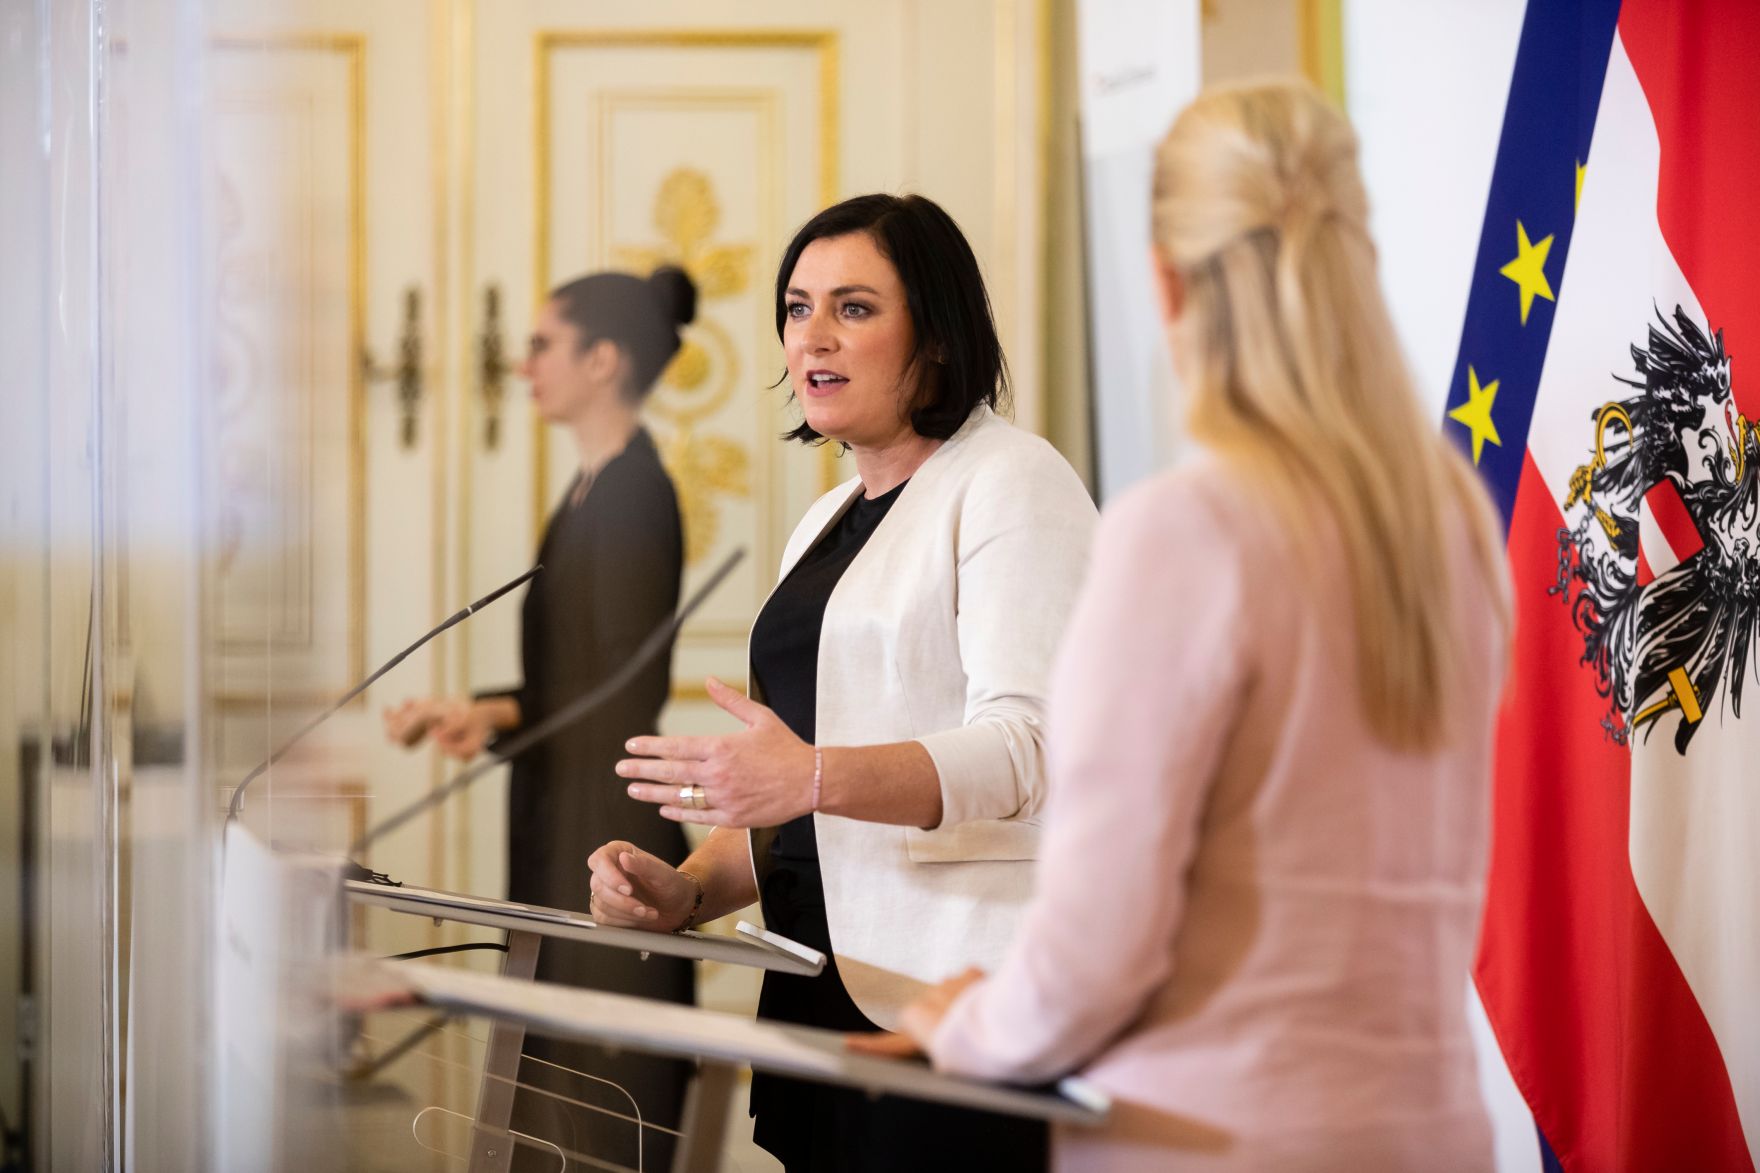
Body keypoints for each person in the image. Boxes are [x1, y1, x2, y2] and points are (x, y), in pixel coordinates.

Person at [863, 81, 1513, 1171]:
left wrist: (964, 1023)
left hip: (1213, 1138)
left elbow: (1097, 947)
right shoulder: (1449, 519)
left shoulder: (1185, 532)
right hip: (1425, 1132)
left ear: (1164, 280)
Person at [583, 193, 1097, 1171]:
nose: (811, 336)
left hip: (953, 999)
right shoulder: (820, 523)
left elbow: (1030, 752)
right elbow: (788, 790)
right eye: (793, 308)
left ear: (936, 338)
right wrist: (686, 889)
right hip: (816, 984)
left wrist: (811, 778)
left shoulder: (1011, 483)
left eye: (853, 308)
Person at [382, 266, 695, 1170]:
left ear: (603, 360)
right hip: (566, 812)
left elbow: (617, 696)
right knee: (549, 1095)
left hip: (602, 832)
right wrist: (476, 709)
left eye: (541, 346)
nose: (523, 367)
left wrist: (494, 717)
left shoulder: (634, 492)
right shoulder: (595, 485)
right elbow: (575, 676)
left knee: (598, 1106)